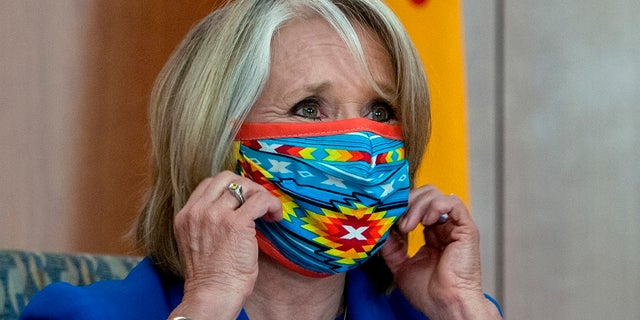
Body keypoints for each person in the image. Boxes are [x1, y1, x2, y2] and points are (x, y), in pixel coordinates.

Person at [21, 0, 502, 319]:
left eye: (381, 111)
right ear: (214, 135)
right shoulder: (81, 315)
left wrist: (462, 307)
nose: (361, 142)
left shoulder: (438, 314)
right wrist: (207, 306)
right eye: (309, 108)